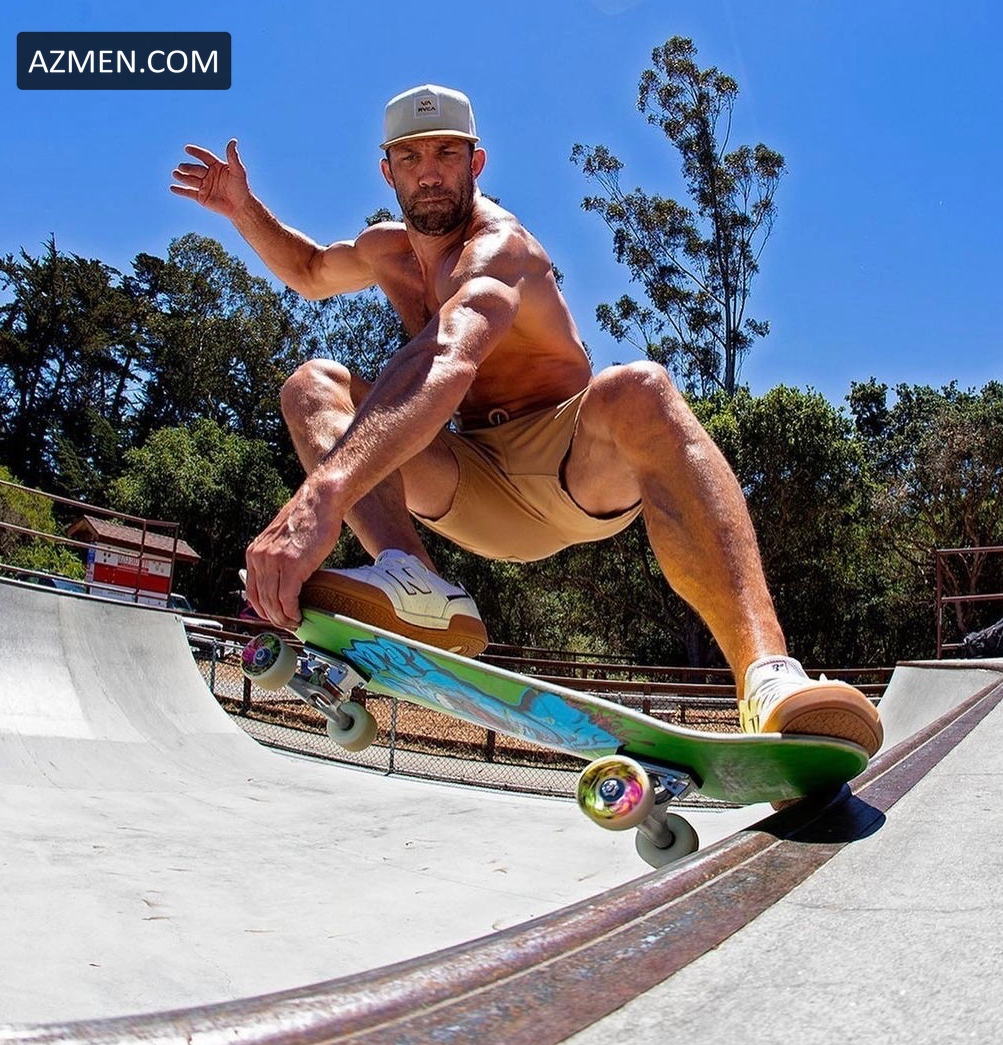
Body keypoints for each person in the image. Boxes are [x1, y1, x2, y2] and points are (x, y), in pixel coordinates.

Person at [172, 84, 882, 756]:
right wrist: (242, 208)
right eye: (412, 157)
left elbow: (448, 355)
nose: (429, 173)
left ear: (475, 163)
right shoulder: (384, 250)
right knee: (313, 384)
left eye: (447, 154)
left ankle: (766, 675)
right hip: (469, 480)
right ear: (387, 171)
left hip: (568, 467)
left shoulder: (499, 249)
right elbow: (307, 269)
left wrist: (320, 498)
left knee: (639, 387)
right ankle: (416, 586)